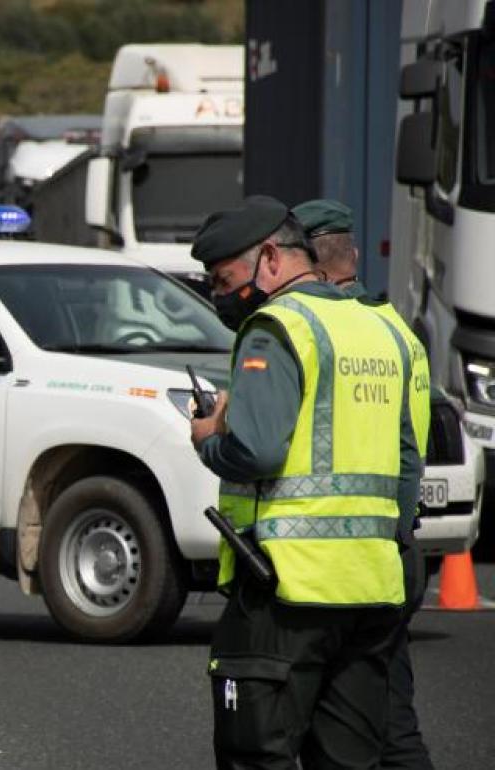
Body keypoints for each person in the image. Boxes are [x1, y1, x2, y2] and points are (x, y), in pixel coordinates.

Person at [189, 196, 418, 769]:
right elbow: (408, 459)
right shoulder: (381, 329)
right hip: (372, 585)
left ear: (270, 258)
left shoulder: (277, 327)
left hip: (289, 588)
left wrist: (208, 438)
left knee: (256, 753)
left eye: (226, 279)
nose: (222, 294)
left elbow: (257, 449)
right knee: (349, 759)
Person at [294, 198, 434, 770]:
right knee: (393, 722)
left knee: (323, 728)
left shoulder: (313, 329)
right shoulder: (396, 329)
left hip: (330, 562)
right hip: (394, 550)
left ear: (307, 263)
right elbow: (410, 447)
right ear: (352, 253)